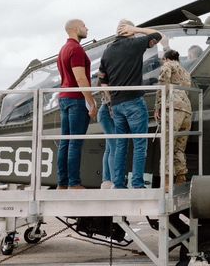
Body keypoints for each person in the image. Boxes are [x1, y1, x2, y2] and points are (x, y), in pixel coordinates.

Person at [99, 20, 162, 189]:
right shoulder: (134, 44)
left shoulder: (107, 51)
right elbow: (158, 35)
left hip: (116, 105)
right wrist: (137, 29)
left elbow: (102, 81)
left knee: (121, 145)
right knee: (140, 144)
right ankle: (137, 183)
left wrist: (111, 102)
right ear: (128, 31)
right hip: (134, 102)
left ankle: (118, 184)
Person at [56, 18, 97, 189]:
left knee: (65, 141)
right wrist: (91, 103)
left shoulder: (63, 49)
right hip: (76, 100)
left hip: (64, 98)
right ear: (75, 29)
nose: (87, 28)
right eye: (84, 26)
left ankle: (62, 183)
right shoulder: (76, 49)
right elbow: (80, 78)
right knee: (75, 142)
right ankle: (74, 183)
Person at [154, 49, 192, 188]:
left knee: (167, 145)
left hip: (173, 107)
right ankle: (181, 178)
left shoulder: (167, 66)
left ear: (166, 58)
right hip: (187, 109)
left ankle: (167, 183)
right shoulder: (185, 71)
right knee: (179, 148)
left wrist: (157, 106)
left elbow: (163, 86)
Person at [97, 80, 116, 189]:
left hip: (105, 114)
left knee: (109, 148)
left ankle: (106, 180)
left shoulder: (103, 79)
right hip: (107, 114)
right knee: (114, 147)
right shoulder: (108, 82)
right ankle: (114, 181)